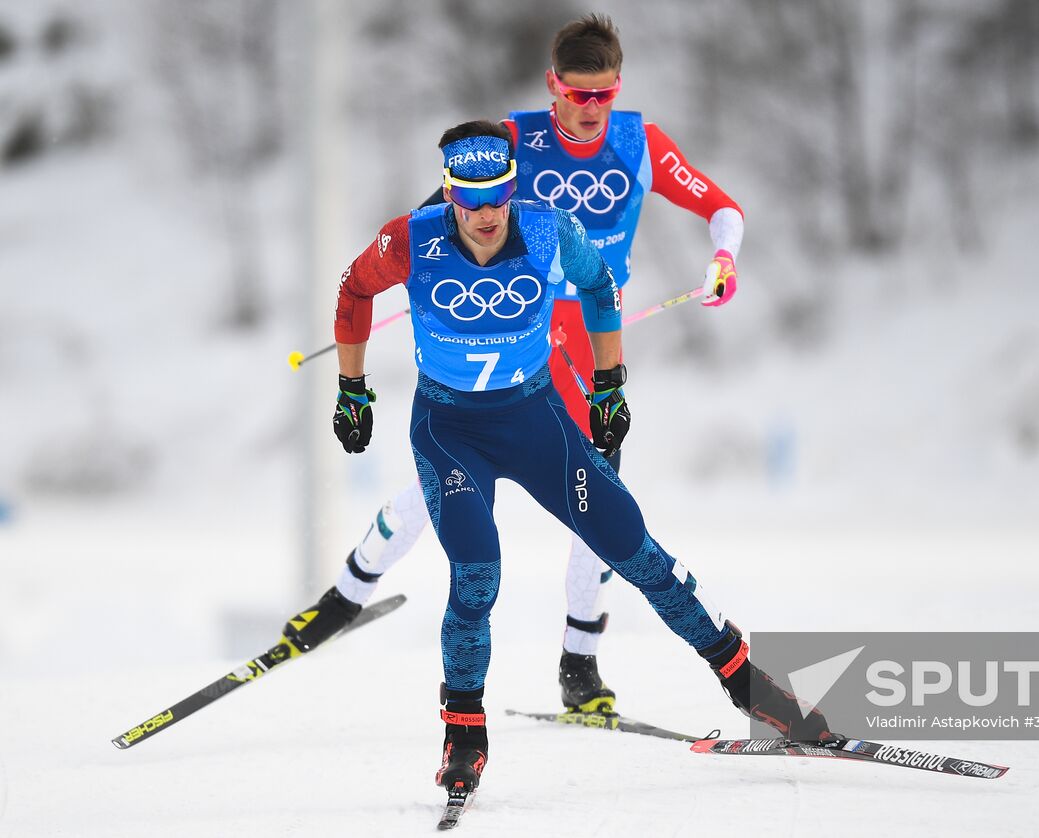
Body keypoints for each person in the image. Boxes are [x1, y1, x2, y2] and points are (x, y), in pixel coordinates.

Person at [327, 119, 828, 795]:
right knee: (478, 575)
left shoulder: (547, 230)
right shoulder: (408, 239)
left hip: (537, 424)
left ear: (513, 189)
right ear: (447, 194)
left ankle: (750, 685)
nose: (483, 214)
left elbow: (598, 287)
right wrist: (352, 389)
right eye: (467, 199)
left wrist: (609, 382)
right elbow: (354, 290)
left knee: (635, 549)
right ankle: (463, 733)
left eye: (497, 197)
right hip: (450, 432)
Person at [282, 14, 744, 718]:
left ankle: (579, 660)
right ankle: (346, 595)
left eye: (604, 97)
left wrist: (723, 259)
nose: (590, 113)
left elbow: (722, 208)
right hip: (518, 331)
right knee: (452, 482)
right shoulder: (513, 141)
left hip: (587, 336)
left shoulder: (639, 143)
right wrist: (426, 280)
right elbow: (439, 215)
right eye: (576, 96)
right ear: (552, 87)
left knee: (602, 494)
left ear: (617, 89)